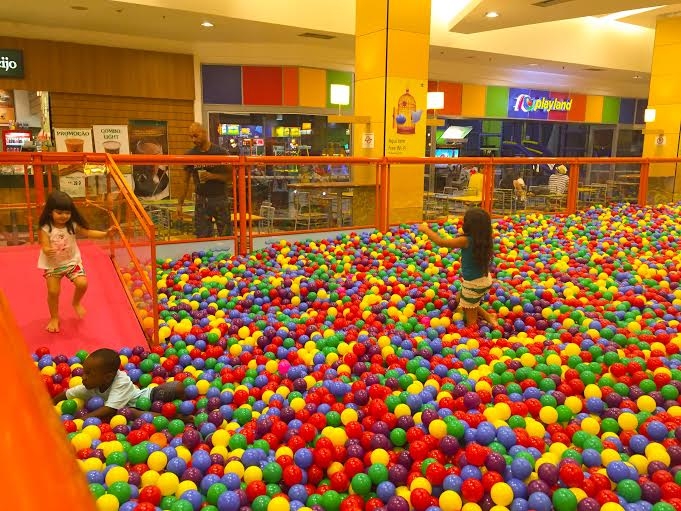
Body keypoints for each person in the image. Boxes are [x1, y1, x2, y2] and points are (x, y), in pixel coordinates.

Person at [38, 191, 116, 333]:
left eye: (67, 213)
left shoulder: (72, 225)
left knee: (82, 283)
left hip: (71, 262)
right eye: (59, 212)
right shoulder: (46, 227)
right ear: (50, 212)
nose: (64, 216)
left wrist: (105, 234)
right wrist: (46, 249)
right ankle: (54, 317)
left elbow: (88, 232)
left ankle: (76, 302)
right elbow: (44, 244)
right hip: (53, 265)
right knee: (53, 291)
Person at [51, 348, 188, 422]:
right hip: (129, 413)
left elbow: (109, 410)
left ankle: (181, 411)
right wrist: (50, 404)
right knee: (130, 412)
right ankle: (171, 419)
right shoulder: (90, 385)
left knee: (178, 387)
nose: (83, 378)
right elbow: (68, 393)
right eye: (84, 372)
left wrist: (80, 420)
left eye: (89, 374)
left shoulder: (120, 381)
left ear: (107, 377)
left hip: (145, 397)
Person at [420, 207, 496, 327]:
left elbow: (441, 242)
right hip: (485, 280)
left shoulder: (465, 240)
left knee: (471, 321)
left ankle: (476, 332)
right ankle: (488, 316)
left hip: (473, 285)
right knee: (460, 299)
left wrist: (426, 230)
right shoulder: (484, 239)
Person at [177, 123, 232, 237]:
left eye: (196, 136)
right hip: (201, 200)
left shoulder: (220, 153)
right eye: (191, 137)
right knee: (202, 236)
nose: (193, 139)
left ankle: (230, 254)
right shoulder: (190, 155)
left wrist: (213, 176)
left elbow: (231, 176)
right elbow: (185, 181)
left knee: (226, 235)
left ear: (204, 133)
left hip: (220, 198)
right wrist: (179, 204)